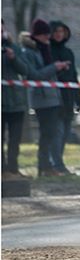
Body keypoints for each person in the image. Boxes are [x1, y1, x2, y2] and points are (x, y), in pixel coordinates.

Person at [20, 20, 70, 176]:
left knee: (51, 132)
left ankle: (47, 166)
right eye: (44, 34)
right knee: (46, 133)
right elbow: (35, 75)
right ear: (37, 35)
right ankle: (44, 166)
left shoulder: (44, 49)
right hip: (41, 98)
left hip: (52, 96)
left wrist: (59, 69)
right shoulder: (29, 52)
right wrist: (54, 67)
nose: (48, 37)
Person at [49, 20, 80, 174]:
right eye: (56, 31)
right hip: (54, 97)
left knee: (66, 131)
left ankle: (58, 162)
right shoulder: (47, 51)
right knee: (57, 131)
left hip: (68, 97)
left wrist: (78, 97)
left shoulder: (68, 52)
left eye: (61, 31)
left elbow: (74, 76)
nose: (59, 34)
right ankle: (56, 164)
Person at [2, 20, 30, 178]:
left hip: (15, 101)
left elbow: (25, 70)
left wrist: (13, 58)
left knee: (15, 139)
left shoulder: (14, 48)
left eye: (2, 31)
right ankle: (2, 170)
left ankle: (13, 169)